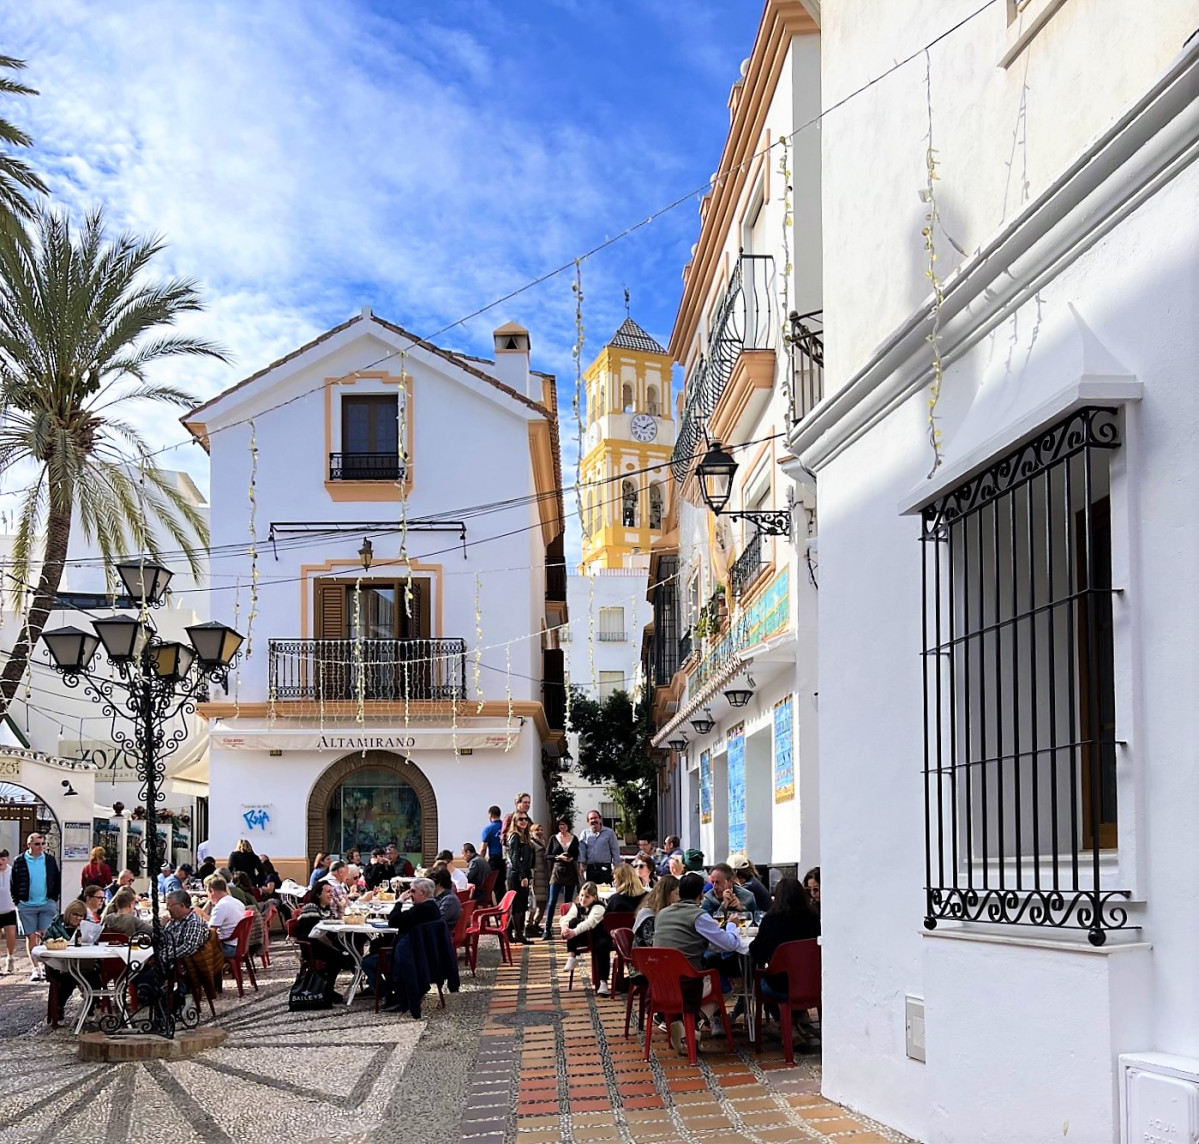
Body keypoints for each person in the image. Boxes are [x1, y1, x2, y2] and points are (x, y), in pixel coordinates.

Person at [653, 871, 741, 1053]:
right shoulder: (698, 916)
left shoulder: (662, 914)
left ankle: (688, 1027)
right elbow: (730, 944)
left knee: (711, 969)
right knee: (726, 986)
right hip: (687, 983)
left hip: (659, 984)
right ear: (700, 894)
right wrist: (732, 924)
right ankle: (694, 1024)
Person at [750, 877, 821, 993]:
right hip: (810, 981)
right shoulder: (813, 918)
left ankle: (774, 1009)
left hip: (781, 984)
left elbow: (758, 953)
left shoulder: (770, 920)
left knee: (762, 977)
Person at [12, 832, 60, 983]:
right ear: (29, 845)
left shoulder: (49, 860)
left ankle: (46, 966)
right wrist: (17, 902)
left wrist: (53, 898)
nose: (41, 847)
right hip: (26, 904)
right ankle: (36, 968)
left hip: (46, 903)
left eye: (42, 844)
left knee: (46, 935)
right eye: (37, 844)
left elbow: (56, 879)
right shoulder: (19, 861)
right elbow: (14, 882)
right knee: (31, 936)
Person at [294, 880, 351, 1003]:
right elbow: (318, 934)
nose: (331, 894)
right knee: (339, 957)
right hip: (312, 946)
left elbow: (337, 925)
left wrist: (341, 908)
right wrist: (336, 948)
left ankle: (327, 989)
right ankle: (327, 991)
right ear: (318, 894)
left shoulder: (327, 910)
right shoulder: (311, 908)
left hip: (324, 944)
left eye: (332, 891)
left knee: (350, 953)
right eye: (328, 892)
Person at [559, 882, 611, 996]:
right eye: (582, 895)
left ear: (594, 897)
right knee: (572, 922)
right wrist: (564, 928)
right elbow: (566, 918)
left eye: (587, 897)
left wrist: (573, 932)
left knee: (603, 946)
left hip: (598, 935)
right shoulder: (577, 906)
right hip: (583, 937)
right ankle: (572, 956)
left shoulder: (599, 907)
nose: (583, 899)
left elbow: (590, 923)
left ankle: (603, 982)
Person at [544, 818, 578, 939]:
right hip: (557, 870)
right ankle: (547, 929)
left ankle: (567, 928)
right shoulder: (554, 838)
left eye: (564, 825)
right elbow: (547, 855)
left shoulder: (574, 838)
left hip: (570, 870)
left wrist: (571, 858)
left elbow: (577, 854)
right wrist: (558, 857)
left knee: (568, 901)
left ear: (568, 826)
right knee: (552, 900)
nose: (562, 827)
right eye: (560, 825)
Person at [505, 809, 535, 944]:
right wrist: (522, 876)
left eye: (525, 819)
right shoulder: (514, 836)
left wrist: (529, 875)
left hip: (524, 873)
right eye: (520, 819)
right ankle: (518, 933)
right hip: (515, 874)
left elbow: (528, 859)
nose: (523, 822)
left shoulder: (526, 836)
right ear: (515, 822)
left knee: (522, 905)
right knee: (517, 906)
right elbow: (514, 858)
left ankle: (508, 931)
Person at [160, 890, 211, 968]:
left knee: (141, 977)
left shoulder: (194, 922)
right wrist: (161, 927)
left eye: (169, 905)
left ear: (182, 905)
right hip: (163, 961)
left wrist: (165, 956)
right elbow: (162, 940)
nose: (167, 908)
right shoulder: (173, 920)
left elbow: (188, 947)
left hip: (177, 967)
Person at [633, 873, 679, 947]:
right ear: (667, 894)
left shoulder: (665, 912)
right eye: (677, 894)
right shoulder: (647, 916)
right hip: (646, 955)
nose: (679, 898)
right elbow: (651, 943)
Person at [204, 876, 245, 957]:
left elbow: (211, 930)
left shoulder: (221, 906)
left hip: (228, 947)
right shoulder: (237, 902)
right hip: (239, 944)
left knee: (194, 951)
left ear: (211, 891)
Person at [578, 810, 621, 885]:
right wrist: (581, 864)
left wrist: (616, 866)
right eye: (591, 819)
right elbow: (582, 850)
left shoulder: (609, 832)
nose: (594, 820)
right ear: (588, 821)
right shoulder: (584, 833)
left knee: (606, 891)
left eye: (595, 818)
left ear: (600, 819)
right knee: (591, 892)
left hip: (605, 868)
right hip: (591, 868)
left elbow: (615, 850)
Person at [526, 824, 549, 938]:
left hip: (543, 876)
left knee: (543, 903)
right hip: (535, 877)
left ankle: (535, 924)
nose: (540, 831)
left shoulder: (543, 842)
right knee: (533, 904)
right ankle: (528, 926)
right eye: (537, 830)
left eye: (541, 829)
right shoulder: (531, 844)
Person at [0, 850, 16, 974]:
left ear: (7, 859)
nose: (0, 862)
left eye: (3, 859)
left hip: (9, 908)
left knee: (10, 934)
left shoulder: (12, 872)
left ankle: (10, 957)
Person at [481, 805, 506, 888]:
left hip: (494, 859)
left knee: (492, 884)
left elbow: (483, 848)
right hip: (505, 859)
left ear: (490, 815)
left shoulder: (488, 829)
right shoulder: (505, 827)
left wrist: (481, 860)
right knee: (502, 885)